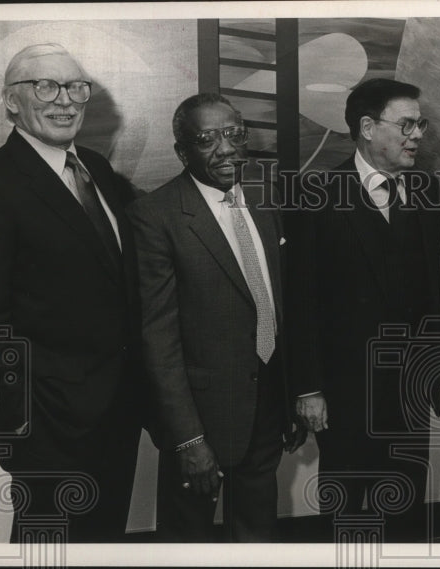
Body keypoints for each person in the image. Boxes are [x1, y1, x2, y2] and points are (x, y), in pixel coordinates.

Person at [0, 43, 142, 542]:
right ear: (11, 102)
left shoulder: (98, 172)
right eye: (45, 86)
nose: (65, 100)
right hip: (49, 431)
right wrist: (19, 433)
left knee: (100, 543)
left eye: (75, 87)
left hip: (117, 415)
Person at [126, 93, 302, 542]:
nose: (226, 148)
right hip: (200, 423)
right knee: (186, 544)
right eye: (207, 139)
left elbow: (279, 305)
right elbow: (157, 338)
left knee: (257, 538)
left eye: (234, 135)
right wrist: (188, 439)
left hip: (265, 411)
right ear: (182, 152)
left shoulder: (264, 203)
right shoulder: (155, 216)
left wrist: (292, 396)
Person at [290, 78, 440, 542]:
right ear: (366, 128)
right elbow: (301, 299)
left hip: (410, 392)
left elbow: (430, 292)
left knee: (404, 516)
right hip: (342, 395)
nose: (418, 134)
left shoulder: (425, 192)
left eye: (420, 124)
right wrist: (309, 388)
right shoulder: (316, 195)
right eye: (407, 124)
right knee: (348, 517)